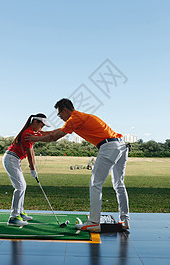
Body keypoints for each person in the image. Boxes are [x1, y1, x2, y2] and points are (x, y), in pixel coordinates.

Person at [26, 99, 130, 232]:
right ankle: (125, 220)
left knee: (95, 184)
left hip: (108, 147)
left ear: (65, 110)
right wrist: (40, 134)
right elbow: (57, 131)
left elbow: (55, 137)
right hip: (121, 145)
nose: (60, 117)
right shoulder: (79, 118)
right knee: (119, 184)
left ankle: (93, 222)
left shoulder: (74, 118)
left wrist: (35, 139)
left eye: (59, 114)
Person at [2, 113, 50, 227]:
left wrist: (34, 168)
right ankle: (13, 217)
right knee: (20, 186)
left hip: (14, 159)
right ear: (35, 122)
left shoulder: (32, 132)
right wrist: (32, 169)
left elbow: (32, 150)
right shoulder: (28, 133)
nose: (41, 128)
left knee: (22, 185)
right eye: (41, 125)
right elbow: (29, 154)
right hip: (11, 158)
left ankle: (20, 213)